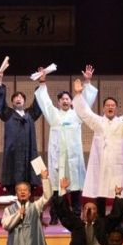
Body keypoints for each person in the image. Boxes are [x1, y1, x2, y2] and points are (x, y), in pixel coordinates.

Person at [34, 64, 97, 218]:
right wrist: (42, 81)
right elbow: (45, 103)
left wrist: (87, 82)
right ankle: (56, 215)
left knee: (75, 186)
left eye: (68, 99)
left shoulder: (77, 114)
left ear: (72, 101)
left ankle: (76, 213)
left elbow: (85, 103)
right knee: (57, 187)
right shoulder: (54, 115)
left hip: (73, 158)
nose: (65, 101)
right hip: (58, 157)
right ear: (59, 102)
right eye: (62, 99)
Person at [73, 77, 123, 202]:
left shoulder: (122, 121)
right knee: (100, 192)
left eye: (113, 105)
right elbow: (85, 113)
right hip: (101, 162)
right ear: (103, 108)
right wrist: (78, 94)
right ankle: (101, 214)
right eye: (108, 105)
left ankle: (118, 215)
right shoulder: (97, 122)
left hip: (118, 163)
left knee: (119, 193)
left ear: (116, 108)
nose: (110, 107)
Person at [0, 61, 43, 193]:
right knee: (12, 187)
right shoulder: (8, 114)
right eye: (15, 97)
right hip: (13, 154)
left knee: (30, 184)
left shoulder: (30, 114)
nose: (18, 99)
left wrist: (41, 83)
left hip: (29, 153)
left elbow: (39, 104)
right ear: (12, 102)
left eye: (21, 97)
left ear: (24, 101)